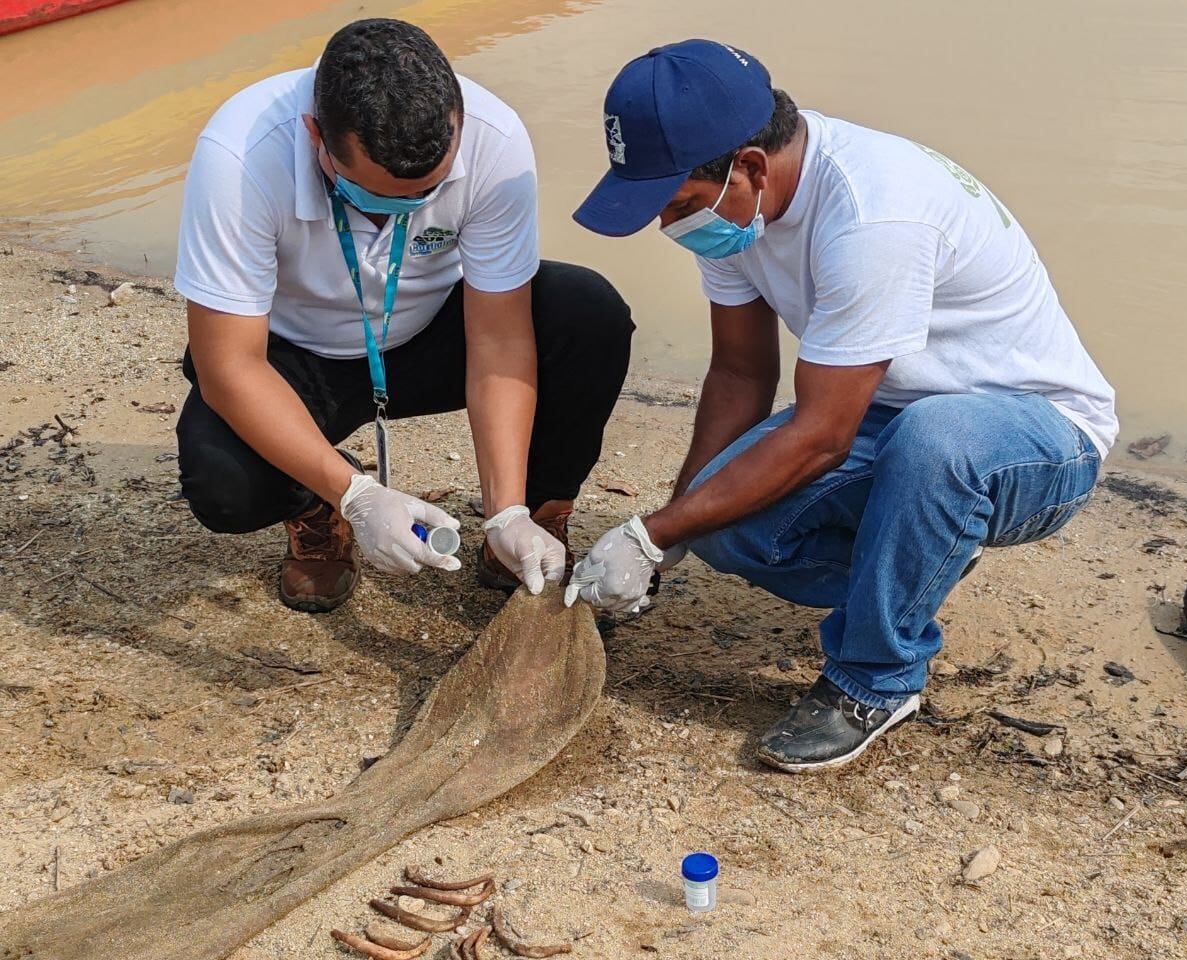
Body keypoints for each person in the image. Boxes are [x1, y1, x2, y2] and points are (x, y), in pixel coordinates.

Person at [566, 40, 1117, 773]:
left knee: (938, 442)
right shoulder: (735, 208)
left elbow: (823, 434)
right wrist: (667, 533)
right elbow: (738, 373)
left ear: (750, 167)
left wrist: (650, 531)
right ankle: (925, 549)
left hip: (1035, 433)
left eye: (678, 206)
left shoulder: (871, 216)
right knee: (724, 527)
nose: (669, 227)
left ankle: (877, 678)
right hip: (891, 413)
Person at [174, 19, 633, 613]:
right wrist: (357, 495)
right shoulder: (239, 157)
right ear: (315, 134)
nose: (404, 211)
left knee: (586, 313)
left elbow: (497, 336)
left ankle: (530, 524)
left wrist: (506, 507)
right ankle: (318, 504)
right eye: (380, 196)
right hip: (294, 355)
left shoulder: (495, 140)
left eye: (425, 193)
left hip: (431, 333)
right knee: (223, 483)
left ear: (458, 123)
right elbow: (230, 364)